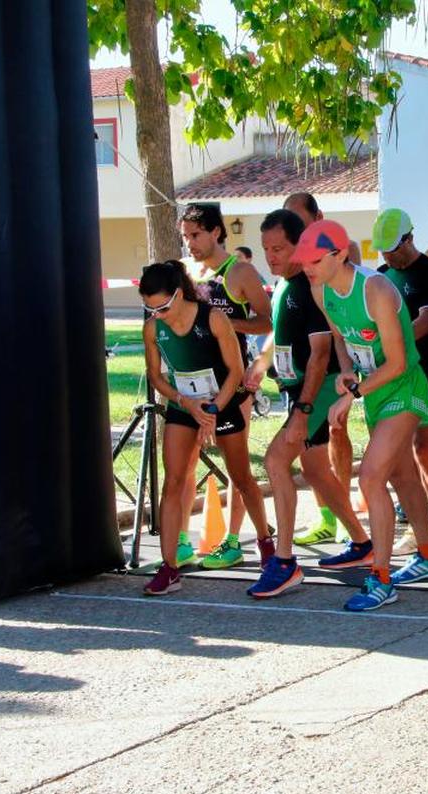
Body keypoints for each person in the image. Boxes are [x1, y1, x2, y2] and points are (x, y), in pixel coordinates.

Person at [301, 219, 428, 611]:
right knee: (402, 475)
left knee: (371, 476)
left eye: (314, 259)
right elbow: (341, 339)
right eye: (304, 259)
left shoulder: (376, 289)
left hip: (404, 384)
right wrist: (347, 370)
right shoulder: (320, 289)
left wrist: (352, 394)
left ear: (339, 254)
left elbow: (397, 362)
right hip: (375, 390)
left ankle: (381, 577)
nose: (307, 267)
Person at [242, 210, 375, 598]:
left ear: (298, 246)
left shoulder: (308, 286)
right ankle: (363, 543)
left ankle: (283, 562)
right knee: (316, 469)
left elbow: (320, 355)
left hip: (317, 392)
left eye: (279, 248)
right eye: (266, 249)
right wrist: (262, 362)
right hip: (297, 391)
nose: (271, 256)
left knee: (275, 460)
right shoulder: (284, 285)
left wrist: (301, 411)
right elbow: (280, 335)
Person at [138, 260, 271, 595]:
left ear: (179, 295)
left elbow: (236, 371)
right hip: (186, 404)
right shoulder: (154, 328)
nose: (159, 314)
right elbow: (156, 378)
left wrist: (212, 409)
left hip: (222, 399)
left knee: (241, 477)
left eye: (164, 307)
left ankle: (266, 543)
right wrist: (187, 404)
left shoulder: (212, 317)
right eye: (150, 309)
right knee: (174, 481)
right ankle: (170, 567)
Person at [180, 203, 274, 568]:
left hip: (233, 381)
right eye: (186, 236)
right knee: (184, 462)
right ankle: (182, 542)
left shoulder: (240, 272)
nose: (190, 243)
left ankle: (234, 540)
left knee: (235, 464)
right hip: (193, 382)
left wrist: (228, 326)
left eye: (196, 235)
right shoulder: (186, 271)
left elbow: (268, 321)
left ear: (217, 232)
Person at [371, 208, 428, 554]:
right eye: (383, 251)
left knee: (423, 446)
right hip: (398, 373)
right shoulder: (382, 276)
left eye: (393, 248)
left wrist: (389, 346)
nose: (389, 256)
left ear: (409, 238)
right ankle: (417, 524)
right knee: (402, 452)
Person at [283, 192, 359, 528]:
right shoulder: (292, 260)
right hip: (302, 364)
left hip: (332, 362)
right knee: (310, 451)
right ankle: (329, 517)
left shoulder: (343, 250)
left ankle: (346, 520)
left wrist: (345, 367)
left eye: (298, 220)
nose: (295, 229)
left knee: (336, 431)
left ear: (318, 217)